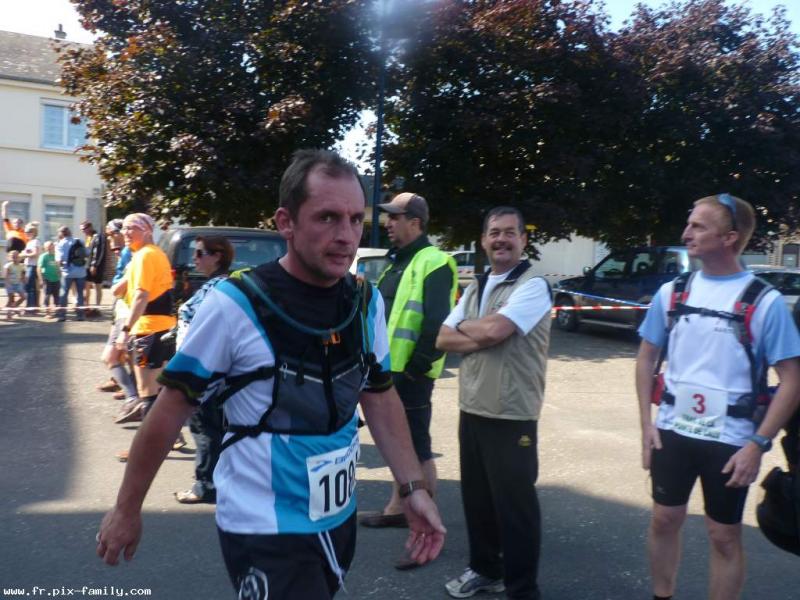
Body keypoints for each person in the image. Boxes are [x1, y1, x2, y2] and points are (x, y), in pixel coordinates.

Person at [96, 149, 445, 599]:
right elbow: (170, 409)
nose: (346, 235)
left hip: (335, 520)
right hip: (263, 526)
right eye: (327, 218)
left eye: (355, 220)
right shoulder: (235, 304)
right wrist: (127, 509)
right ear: (286, 223)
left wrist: (413, 487)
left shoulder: (364, 301)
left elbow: (378, 396)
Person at [636, 193, 800, 600]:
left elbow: (792, 381)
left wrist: (757, 444)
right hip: (673, 430)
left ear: (729, 238)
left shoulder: (765, 301)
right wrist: (645, 426)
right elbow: (646, 357)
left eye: (698, 226)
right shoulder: (672, 292)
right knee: (663, 519)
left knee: (723, 535)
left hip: (731, 440)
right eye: (689, 223)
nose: (686, 233)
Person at [437, 206, 552, 600]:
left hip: (512, 412)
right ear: (484, 240)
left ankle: (523, 589)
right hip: (472, 407)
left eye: (509, 232)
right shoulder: (477, 286)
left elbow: (496, 330)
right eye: (494, 232)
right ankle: (486, 571)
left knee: (515, 508)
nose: (501, 239)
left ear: (523, 239)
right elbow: (443, 338)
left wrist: (471, 329)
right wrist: (481, 331)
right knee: (478, 501)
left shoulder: (533, 286)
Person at [358, 192, 457, 567]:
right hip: (390, 372)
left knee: (418, 447)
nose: (388, 223)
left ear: (415, 222)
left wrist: (417, 367)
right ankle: (398, 508)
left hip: (410, 374)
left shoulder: (434, 261)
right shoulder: (397, 262)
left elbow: (436, 322)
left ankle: (427, 526)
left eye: (395, 217)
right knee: (401, 444)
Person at [173, 235, 234, 504]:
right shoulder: (225, 285)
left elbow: (203, 326)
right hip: (218, 370)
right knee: (216, 428)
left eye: (200, 253)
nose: (194, 259)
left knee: (204, 429)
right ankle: (217, 479)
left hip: (203, 370)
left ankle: (205, 485)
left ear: (217, 256)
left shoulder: (216, 288)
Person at [113, 213, 176, 425]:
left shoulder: (144, 256)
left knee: (147, 392)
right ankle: (170, 435)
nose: (125, 232)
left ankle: (150, 442)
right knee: (158, 390)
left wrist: (125, 331)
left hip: (148, 331)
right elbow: (120, 290)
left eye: (132, 227)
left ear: (147, 230)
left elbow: (141, 296)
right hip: (164, 329)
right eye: (124, 228)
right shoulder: (155, 254)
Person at [55, 226, 87, 322]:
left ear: (61, 234)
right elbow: (87, 253)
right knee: (80, 293)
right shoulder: (79, 241)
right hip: (80, 272)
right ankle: (80, 315)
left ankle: (62, 315)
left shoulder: (60, 244)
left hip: (67, 272)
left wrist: (59, 268)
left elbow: (59, 260)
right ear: (70, 232)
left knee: (64, 293)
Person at [81, 221, 107, 317]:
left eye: (84, 229)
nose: (83, 231)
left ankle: (97, 308)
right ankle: (86, 307)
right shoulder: (89, 238)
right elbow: (88, 252)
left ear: (90, 227)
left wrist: (94, 265)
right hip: (88, 265)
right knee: (87, 286)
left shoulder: (98, 236)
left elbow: (98, 252)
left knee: (98, 286)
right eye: (82, 230)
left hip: (96, 266)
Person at [20, 221, 41, 314]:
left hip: (32, 266)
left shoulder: (35, 241)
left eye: (28, 232)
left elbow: (35, 253)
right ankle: (33, 308)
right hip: (29, 266)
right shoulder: (30, 242)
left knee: (29, 288)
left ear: (33, 232)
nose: (26, 233)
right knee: (31, 288)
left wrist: (25, 255)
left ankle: (30, 309)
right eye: (25, 232)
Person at [37, 241, 61, 316]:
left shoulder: (56, 255)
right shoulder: (43, 256)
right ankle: (48, 313)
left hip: (56, 279)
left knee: (56, 296)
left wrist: (59, 273)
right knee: (47, 295)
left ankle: (57, 312)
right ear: (45, 248)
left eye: (51, 246)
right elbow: (39, 268)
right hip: (47, 278)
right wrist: (41, 280)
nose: (50, 248)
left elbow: (59, 266)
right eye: (48, 247)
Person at [3, 249, 26, 319]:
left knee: (23, 297)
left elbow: (23, 274)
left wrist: (24, 280)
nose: (15, 258)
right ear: (10, 257)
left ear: (19, 257)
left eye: (16, 257)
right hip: (10, 284)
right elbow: (6, 276)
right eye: (13, 257)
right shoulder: (8, 265)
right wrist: (7, 284)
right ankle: (9, 314)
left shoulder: (22, 265)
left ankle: (14, 306)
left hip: (18, 283)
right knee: (11, 299)